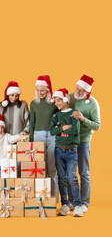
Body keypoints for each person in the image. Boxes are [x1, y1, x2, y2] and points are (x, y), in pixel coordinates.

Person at [68, 75, 101, 213]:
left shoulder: (93, 103)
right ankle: (71, 201)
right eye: (77, 88)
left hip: (83, 141)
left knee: (84, 172)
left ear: (87, 92)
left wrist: (83, 119)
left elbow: (97, 125)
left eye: (81, 90)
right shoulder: (70, 98)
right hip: (69, 140)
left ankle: (84, 202)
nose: (78, 92)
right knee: (70, 172)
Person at [50, 88, 83, 217]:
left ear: (65, 100)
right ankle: (65, 204)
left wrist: (60, 130)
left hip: (71, 151)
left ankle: (78, 205)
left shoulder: (74, 114)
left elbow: (75, 130)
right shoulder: (55, 116)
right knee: (62, 178)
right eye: (55, 101)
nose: (57, 103)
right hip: (58, 150)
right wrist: (64, 128)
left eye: (59, 100)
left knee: (72, 177)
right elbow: (52, 131)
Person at [30, 75, 58, 200]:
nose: (40, 93)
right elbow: (32, 123)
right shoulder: (34, 103)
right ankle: (40, 197)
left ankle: (54, 198)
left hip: (52, 135)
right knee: (40, 167)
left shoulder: (53, 103)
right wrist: (31, 141)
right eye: (38, 90)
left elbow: (59, 118)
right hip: (38, 135)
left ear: (48, 90)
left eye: (42, 90)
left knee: (52, 167)